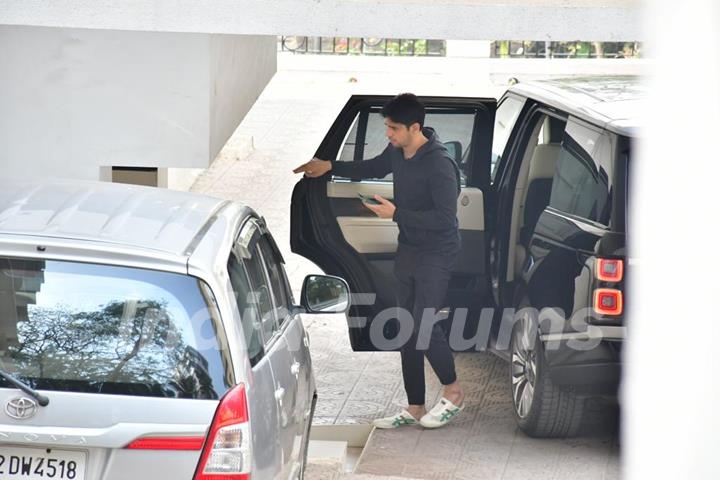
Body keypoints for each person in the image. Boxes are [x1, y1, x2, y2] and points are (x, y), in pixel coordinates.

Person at [293, 93, 464, 429]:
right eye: (386, 126)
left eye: (393, 128)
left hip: (437, 251)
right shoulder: (398, 150)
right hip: (410, 247)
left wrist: (396, 212)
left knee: (424, 324)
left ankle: (454, 391)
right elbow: (372, 166)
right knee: (406, 326)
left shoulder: (440, 165)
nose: (388, 133)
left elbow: (446, 220)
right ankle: (415, 406)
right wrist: (330, 166)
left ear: (415, 127)